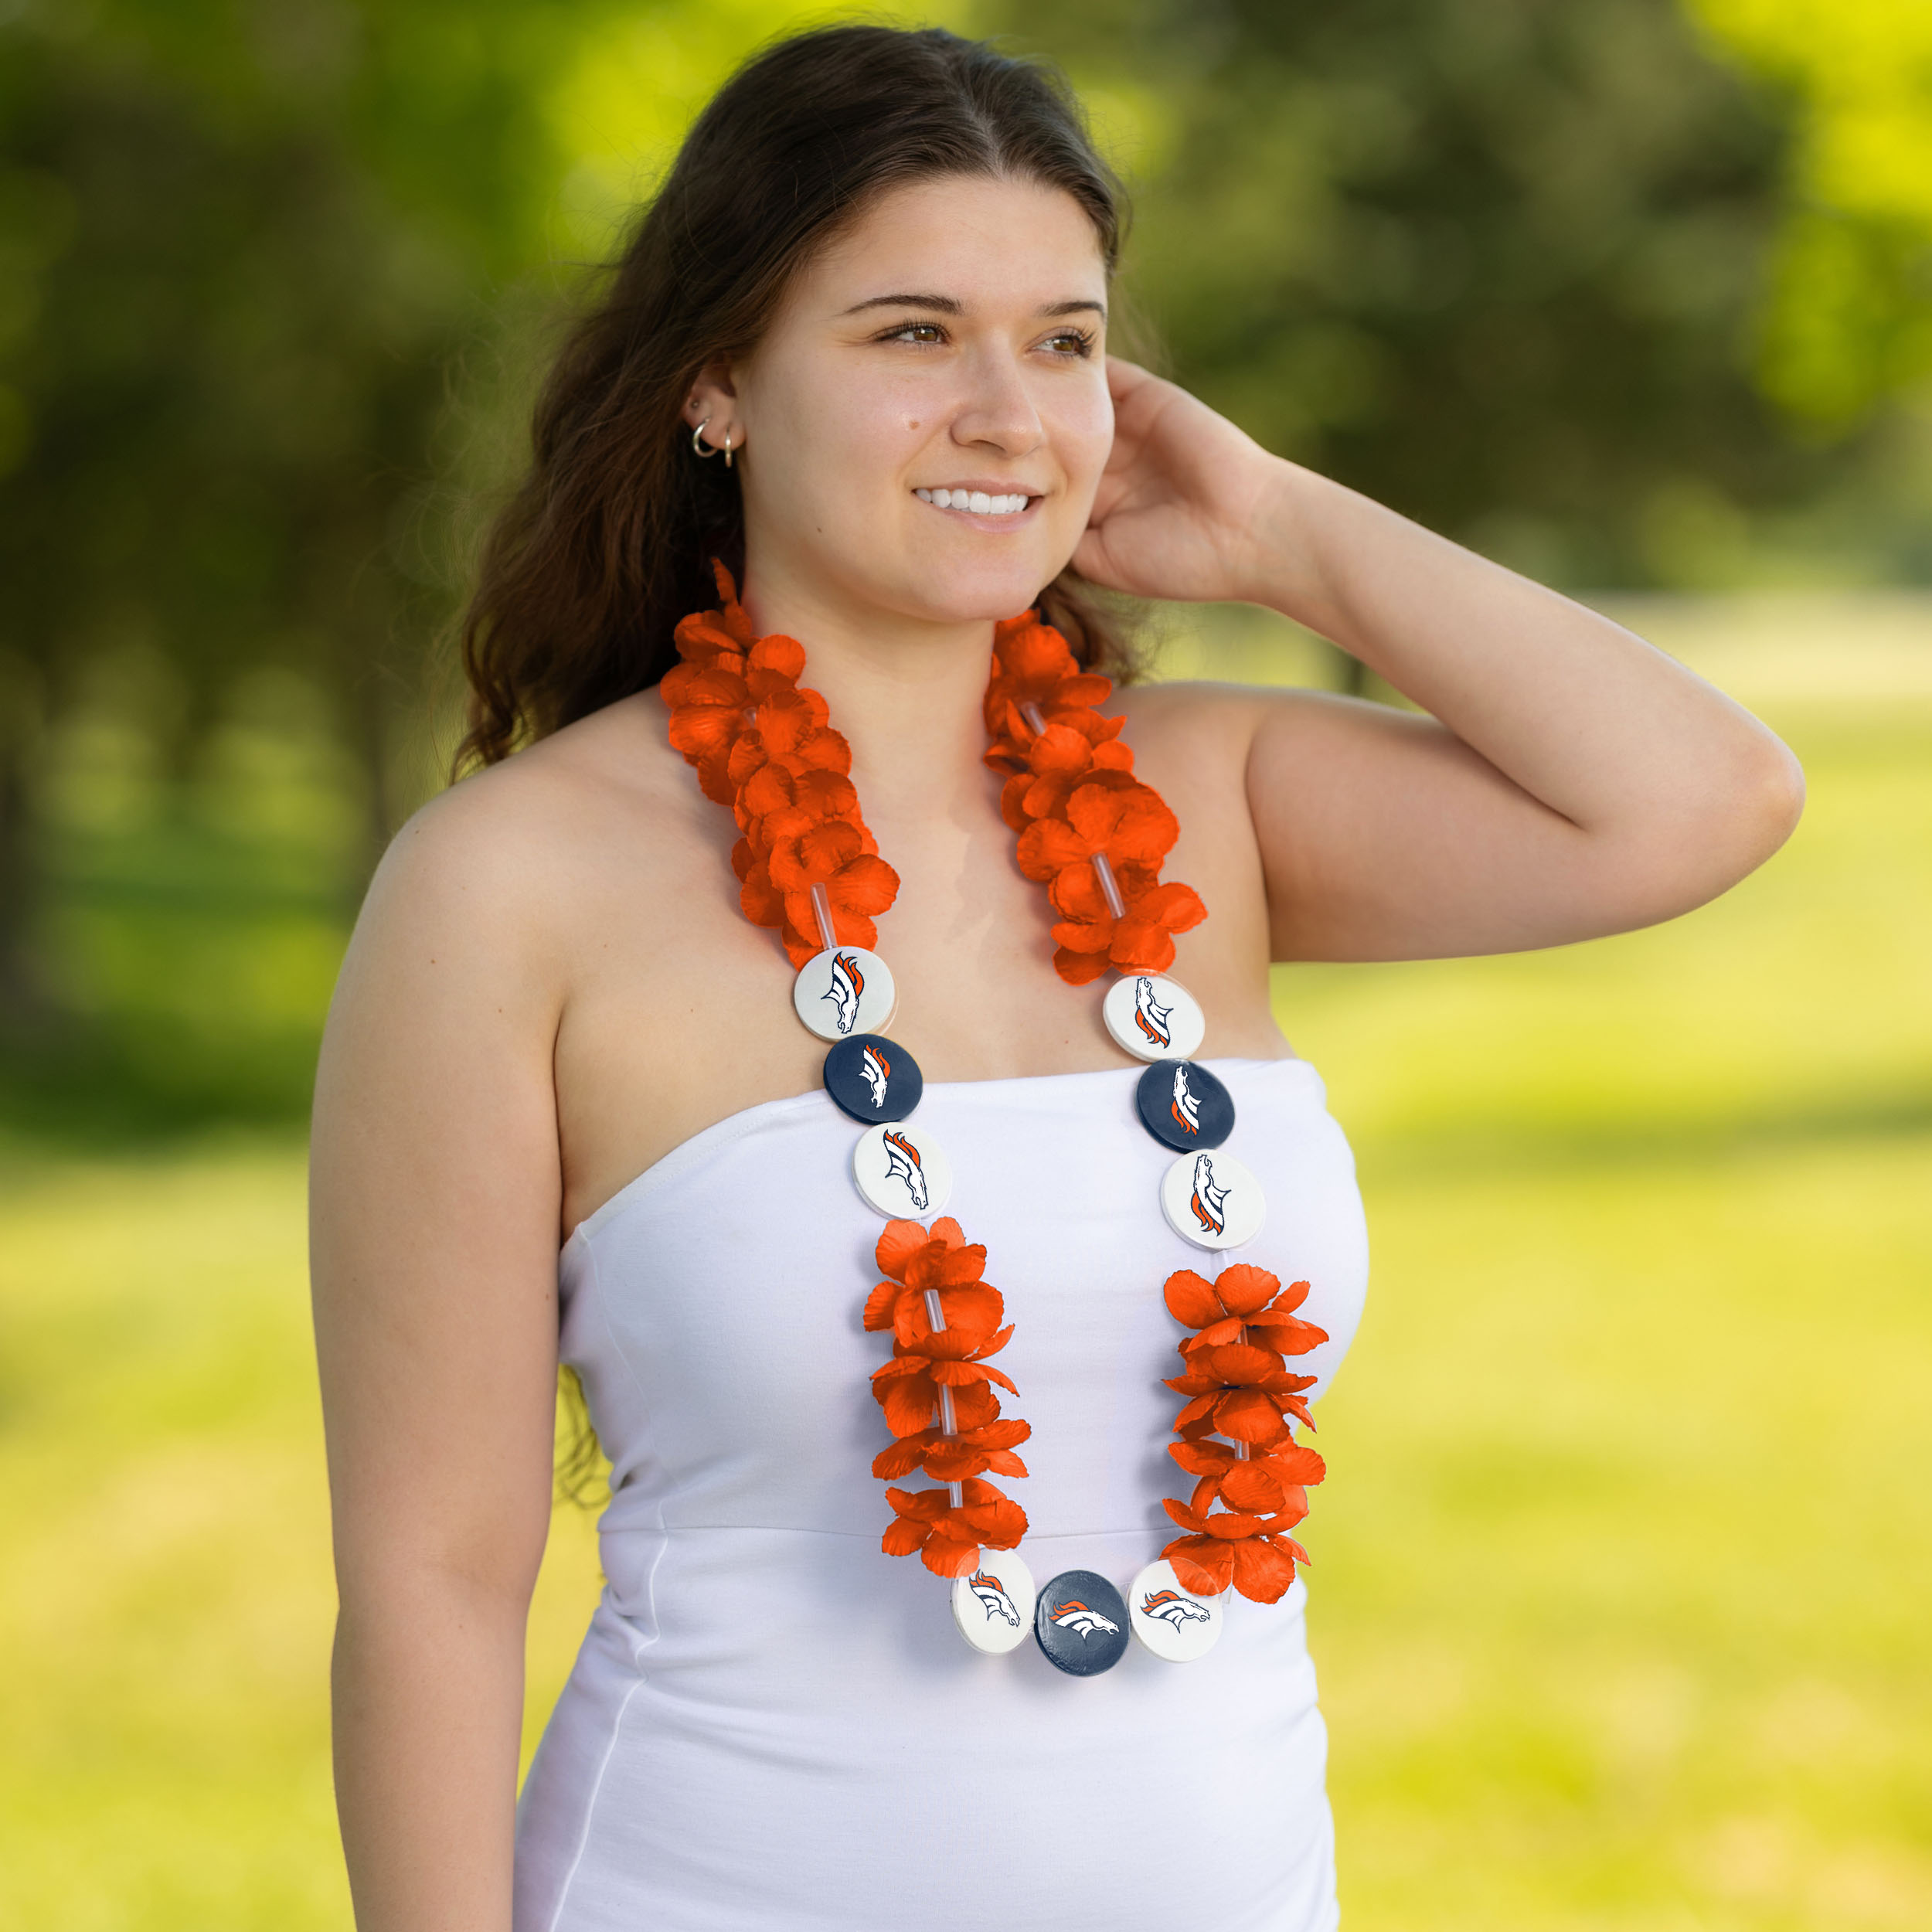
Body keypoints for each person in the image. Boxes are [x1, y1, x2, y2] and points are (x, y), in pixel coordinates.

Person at [308, 24, 1802, 1932]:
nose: (1007, 410)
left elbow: (1699, 799)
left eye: (1067, 338)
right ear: (717, 385)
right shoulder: (505, 888)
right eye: (911, 333)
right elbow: (431, 1578)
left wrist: (1274, 527)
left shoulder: (1206, 800)